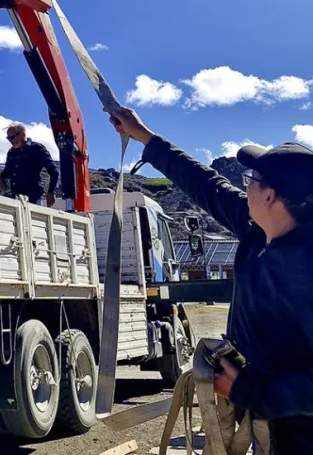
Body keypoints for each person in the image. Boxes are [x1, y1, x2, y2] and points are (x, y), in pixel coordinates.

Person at [109, 105, 313, 454]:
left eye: (252, 180)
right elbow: (207, 185)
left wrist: (250, 391)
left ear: (270, 196)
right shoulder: (257, 229)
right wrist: (146, 137)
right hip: (275, 419)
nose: (243, 187)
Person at [0, 122, 58, 206]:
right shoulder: (11, 153)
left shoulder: (36, 149)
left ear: (22, 134)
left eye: (12, 137)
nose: (11, 141)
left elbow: (54, 171)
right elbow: (8, 170)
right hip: (16, 198)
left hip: (34, 198)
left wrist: (51, 192)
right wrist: (1, 178)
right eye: (8, 138)